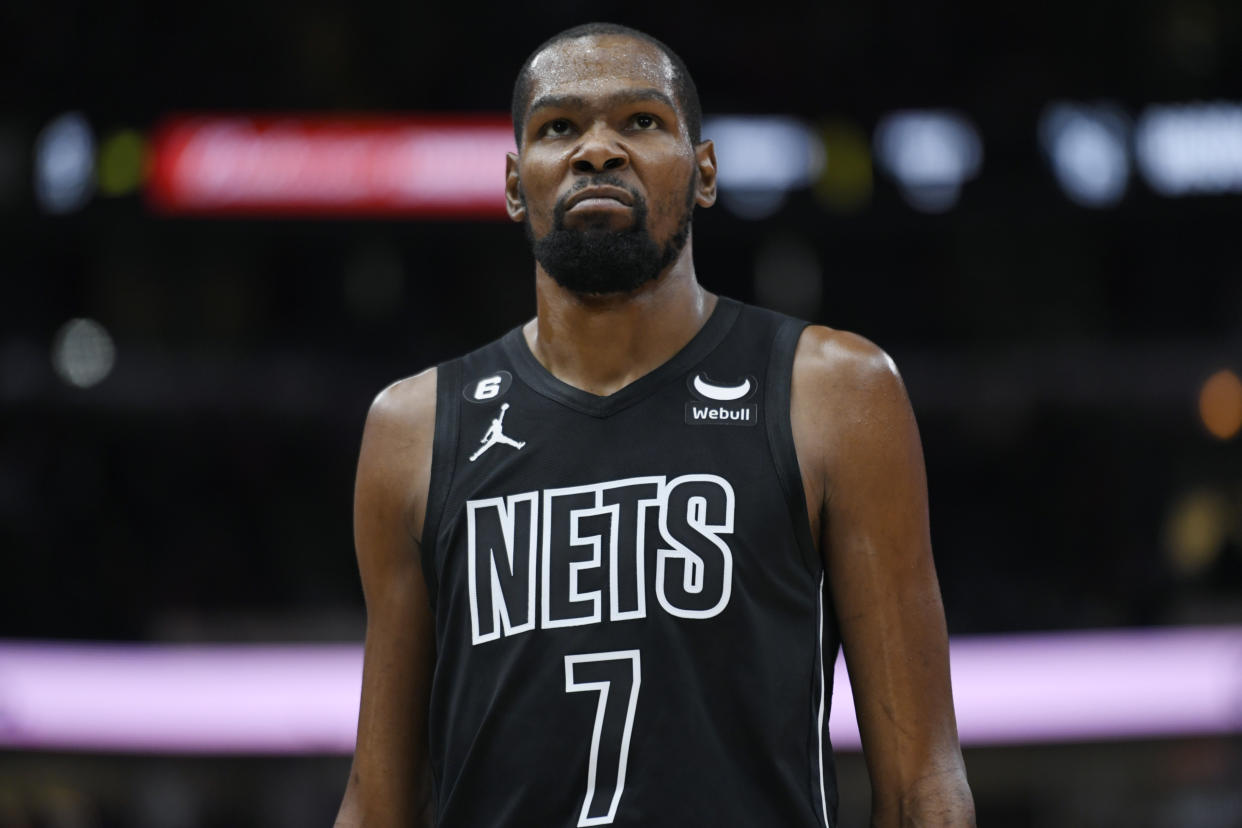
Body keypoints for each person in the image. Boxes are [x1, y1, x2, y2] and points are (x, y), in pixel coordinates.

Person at [335, 21, 974, 828]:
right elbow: (379, 797)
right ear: (511, 183)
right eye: (558, 127)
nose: (597, 150)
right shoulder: (412, 427)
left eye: (641, 121)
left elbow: (924, 785)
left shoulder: (836, 392)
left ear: (704, 172)